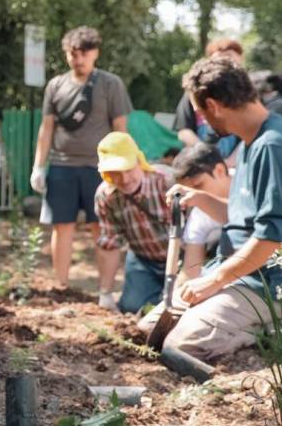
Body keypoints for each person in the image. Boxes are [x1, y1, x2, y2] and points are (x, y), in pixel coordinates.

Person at [138, 57, 282, 361]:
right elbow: (244, 218)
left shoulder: (272, 146)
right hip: (237, 272)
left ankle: (265, 332)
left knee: (179, 348)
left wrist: (214, 281)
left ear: (214, 106)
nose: (202, 121)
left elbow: (271, 238)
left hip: (264, 283)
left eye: (200, 113)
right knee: (148, 331)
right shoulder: (249, 142)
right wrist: (200, 199)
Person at [30, 26, 132, 289]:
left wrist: (123, 167)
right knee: (61, 227)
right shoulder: (55, 86)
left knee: (100, 228)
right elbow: (47, 128)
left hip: (100, 169)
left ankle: (105, 290)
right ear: (67, 54)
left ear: (95, 53)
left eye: (85, 53)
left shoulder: (111, 84)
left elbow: (120, 128)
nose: (79, 59)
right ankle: (61, 286)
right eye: (73, 53)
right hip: (62, 166)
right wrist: (38, 167)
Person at [92, 132, 173, 314]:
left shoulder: (166, 181)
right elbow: (111, 245)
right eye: (115, 174)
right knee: (132, 307)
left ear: (139, 161)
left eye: (128, 170)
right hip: (144, 261)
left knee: (181, 305)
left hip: (182, 257)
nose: (125, 180)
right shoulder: (106, 197)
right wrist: (105, 292)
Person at [172, 39, 243, 155]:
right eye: (219, 59)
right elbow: (184, 130)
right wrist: (205, 153)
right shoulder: (196, 92)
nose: (224, 63)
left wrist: (232, 162)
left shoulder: (246, 94)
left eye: (229, 57)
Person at [170, 143, 229, 280]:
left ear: (219, 171)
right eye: (188, 191)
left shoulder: (250, 185)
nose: (192, 194)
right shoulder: (199, 212)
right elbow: (191, 270)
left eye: (198, 186)